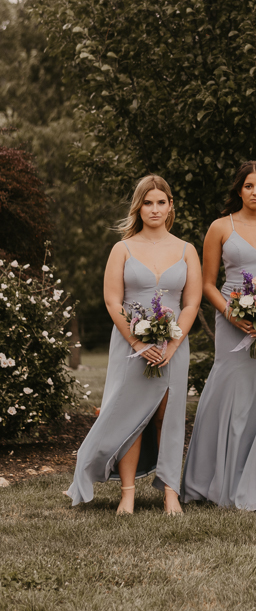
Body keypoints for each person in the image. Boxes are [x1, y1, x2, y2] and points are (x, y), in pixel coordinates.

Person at [67, 175, 201, 515]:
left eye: (160, 202)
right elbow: (113, 302)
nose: (154, 209)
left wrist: (172, 345)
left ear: (171, 206)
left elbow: (191, 303)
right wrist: (137, 343)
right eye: (147, 202)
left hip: (174, 344)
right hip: (129, 344)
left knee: (168, 418)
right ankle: (128, 493)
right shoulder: (122, 249)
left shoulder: (186, 250)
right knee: (130, 416)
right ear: (138, 207)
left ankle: (171, 490)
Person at [181, 160, 256, 512]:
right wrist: (231, 313)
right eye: (248, 186)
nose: (255, 192)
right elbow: (206, 283)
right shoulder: (220, 227)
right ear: (239, 189)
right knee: (229, 399)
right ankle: (215, 483)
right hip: (231, 320)